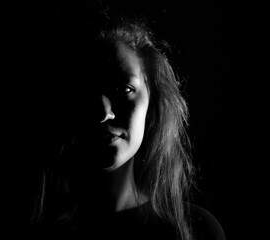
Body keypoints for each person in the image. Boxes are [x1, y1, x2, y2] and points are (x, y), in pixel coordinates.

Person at [25, 11, 226, 240]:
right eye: (86, 92)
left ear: (152, 101)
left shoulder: (195, 230)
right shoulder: (37, 227)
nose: (103, 113)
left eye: (124, 90)